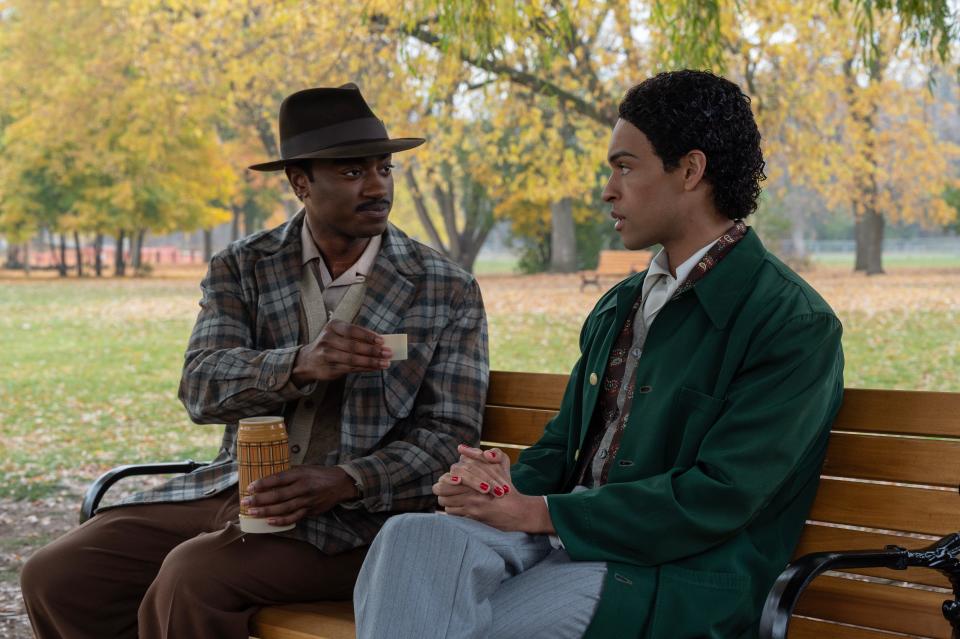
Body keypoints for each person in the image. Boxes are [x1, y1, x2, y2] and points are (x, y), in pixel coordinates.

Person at [354, 70, 844, 639]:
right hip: (563, 536)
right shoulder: (622, 304)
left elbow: (718, 498)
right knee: (410, 540)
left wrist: (539, 513)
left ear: (690, 170)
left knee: (468, 628)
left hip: (671, 576)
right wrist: (502, 488)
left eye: (625, 166)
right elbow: (567, 445)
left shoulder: (790, 323)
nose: (608, 189)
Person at [20, 84, 489, 639]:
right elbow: (201, 387)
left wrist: (346, 480)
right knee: (56, 574)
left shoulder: (444, 287)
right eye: (350, 172)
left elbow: (450, 434)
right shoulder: (244, 267)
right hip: (231, 490)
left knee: (193, 578)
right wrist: (296, 365)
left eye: (383, 169)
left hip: (361, 520)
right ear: (300, 182)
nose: (376, 186)